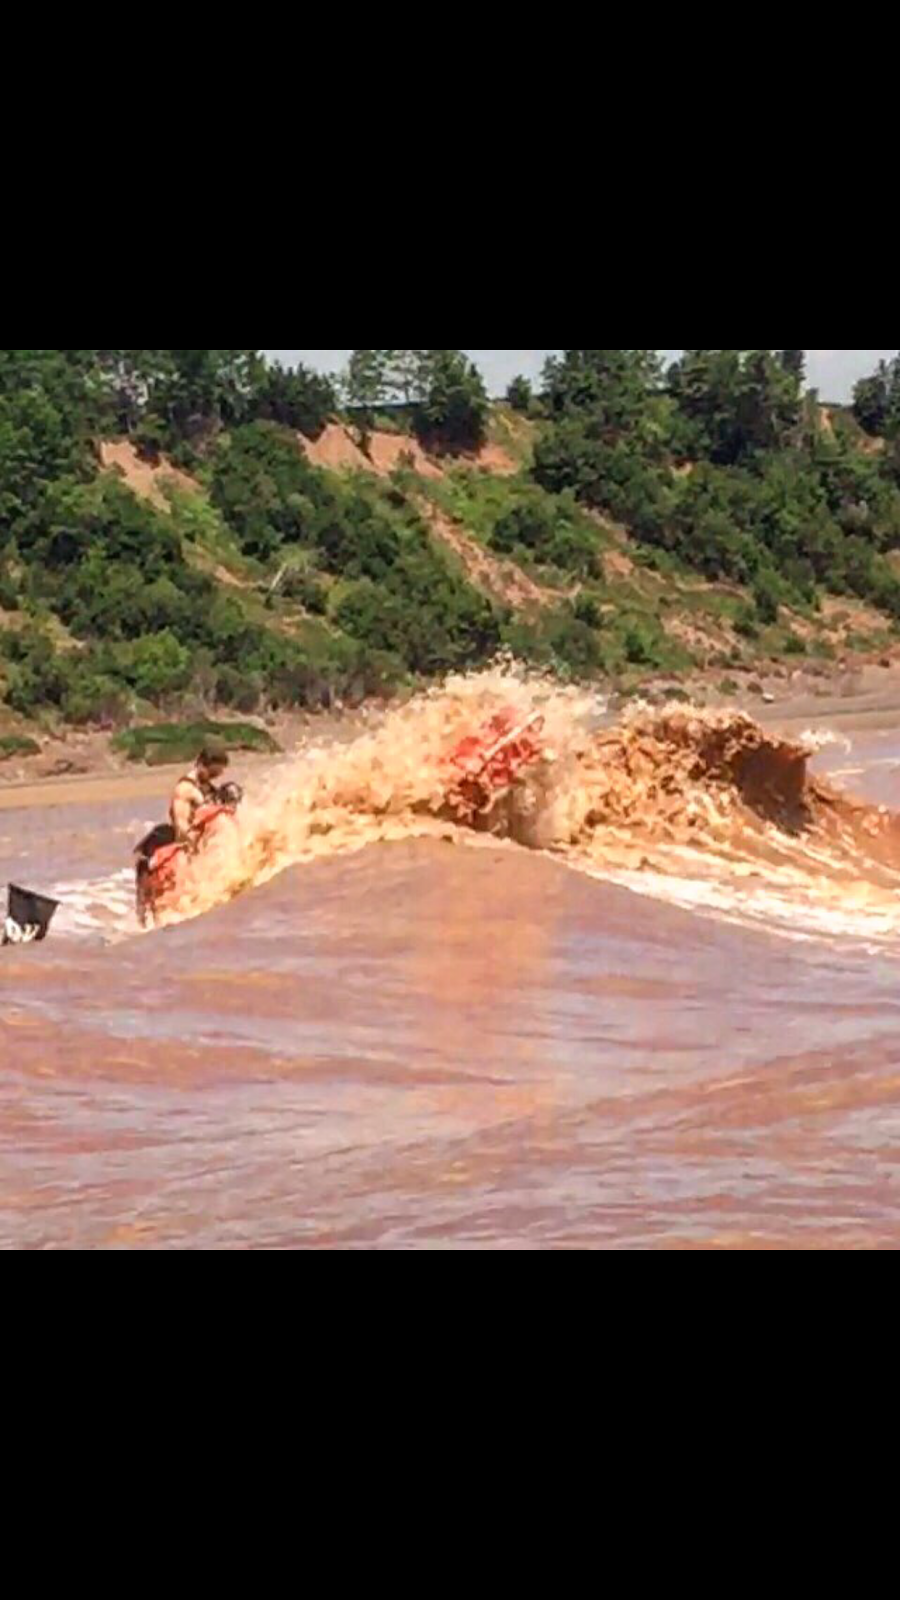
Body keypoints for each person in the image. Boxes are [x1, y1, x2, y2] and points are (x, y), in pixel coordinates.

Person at [170, 739, 231, 846]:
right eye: (212, 773)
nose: (215, 777)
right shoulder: (185, 789)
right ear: (201, 765)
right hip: (191, 847)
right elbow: (181, 824)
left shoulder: (207, 786)